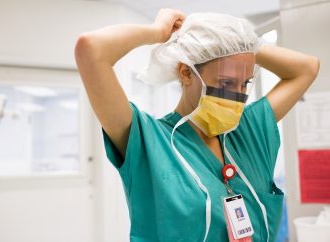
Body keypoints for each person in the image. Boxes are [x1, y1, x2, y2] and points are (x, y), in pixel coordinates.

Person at [75, 8, 320, 242]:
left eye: (244, 84)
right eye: (225, 83)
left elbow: (307, 68)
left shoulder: (247, 130)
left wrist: (241, 44)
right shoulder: (149, 140)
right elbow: (91, 50)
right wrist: (157, 31)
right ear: (186, 73)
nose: (237, 97)